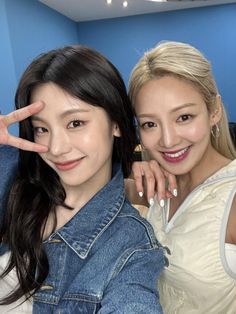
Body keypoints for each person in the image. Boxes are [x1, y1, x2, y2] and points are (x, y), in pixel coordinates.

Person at [0, 45, 165, 313]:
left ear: (117, 123)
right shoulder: (12, 172)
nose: (55, 148)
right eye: (42, 129)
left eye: (75, 123)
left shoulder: (132, 247)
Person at [129, 41, 236, 313]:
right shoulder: (154, 187)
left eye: (184, 117)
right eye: (150, 124)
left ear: (214, 111)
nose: (167, 140)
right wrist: (137, 167)